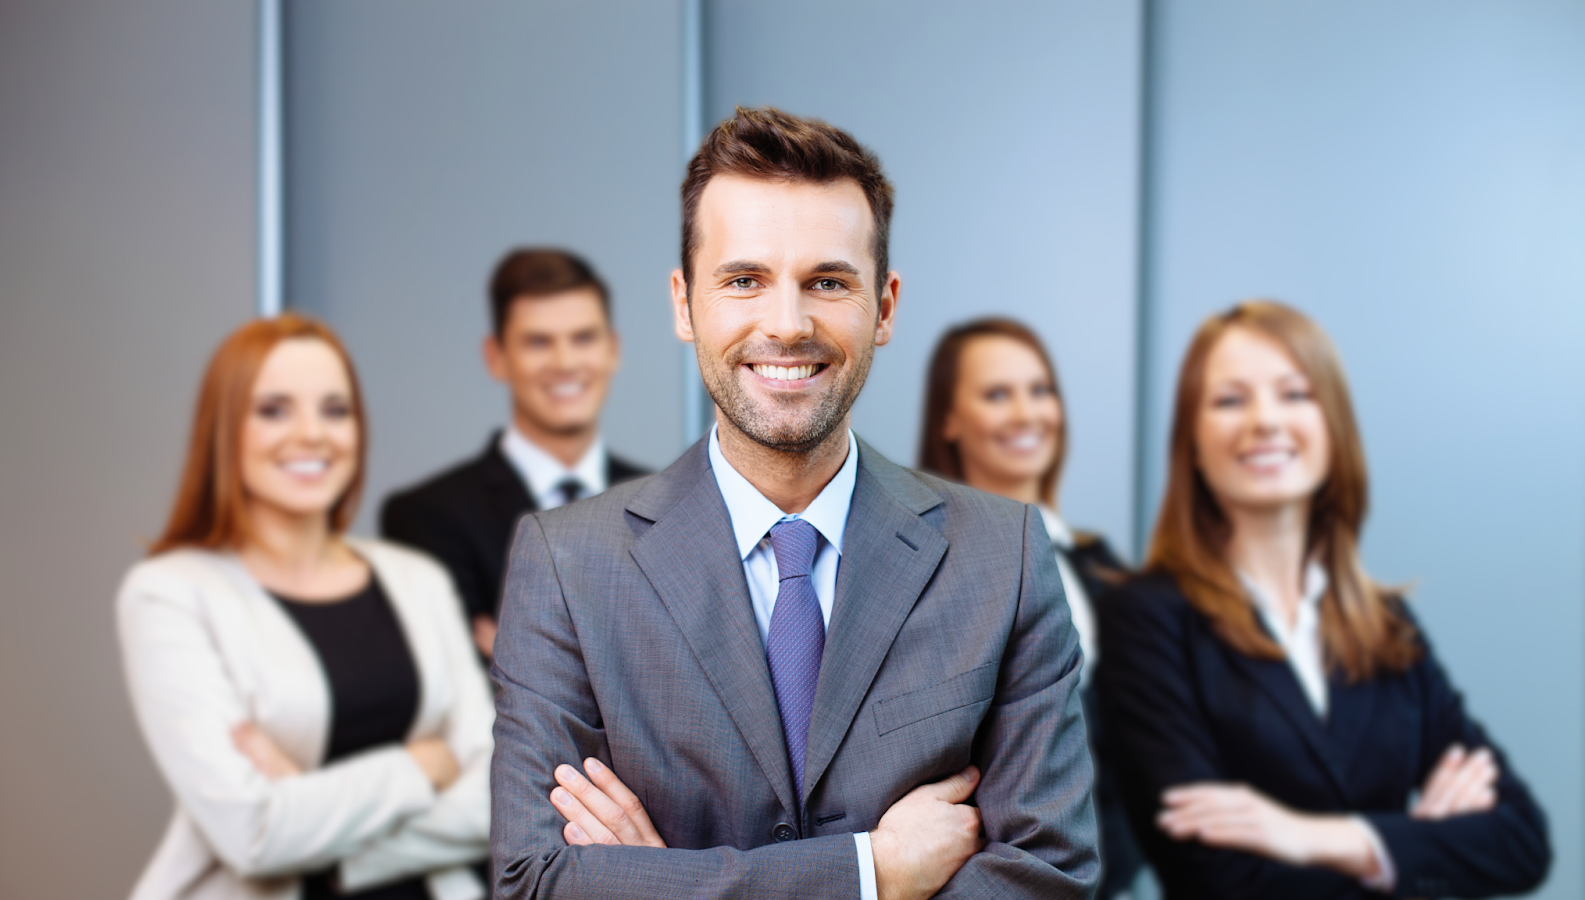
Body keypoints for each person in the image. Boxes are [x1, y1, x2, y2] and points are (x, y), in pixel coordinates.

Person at [487, 106, 1098, 900]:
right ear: (684, 303)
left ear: (885, 307)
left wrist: (661, 882)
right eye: (744, 281)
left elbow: (1047, 877)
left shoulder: (1000, 556)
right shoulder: (569, 565)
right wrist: (873, 872)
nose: (786, 324)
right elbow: (536, 884)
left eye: (828, 282)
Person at [1095, 300, 1550, 898]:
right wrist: (1410, 846)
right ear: (1193, 446)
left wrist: (1315, 837)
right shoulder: (1145, 619)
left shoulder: (1386, 625)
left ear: (1333, 427)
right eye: (1229, 400)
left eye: (1295, 394)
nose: (1265, 420)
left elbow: (1522, 839)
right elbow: (1215, 877)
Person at [117, 314, 495, 900]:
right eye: (274, 410)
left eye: (335, 410)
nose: (312, 434)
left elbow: (496, 800)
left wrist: (316, 823)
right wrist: (419, 768)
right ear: (224, 428)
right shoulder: (169, 594)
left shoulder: (418, 579)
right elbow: (254, 835)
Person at [917, 317, 1143, 899]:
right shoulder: (916, 569)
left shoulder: (1104, 570)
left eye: (1040, 391)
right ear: (949, 419)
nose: (1027, 414)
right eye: (998, 394)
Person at [382, 248, 650, 659]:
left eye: (583, 338)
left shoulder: (669, 503)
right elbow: (460, 683)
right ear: (497, 357)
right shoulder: (425, 519)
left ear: (613, 350)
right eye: (538, 342)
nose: (565, 362)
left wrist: (522, 655)